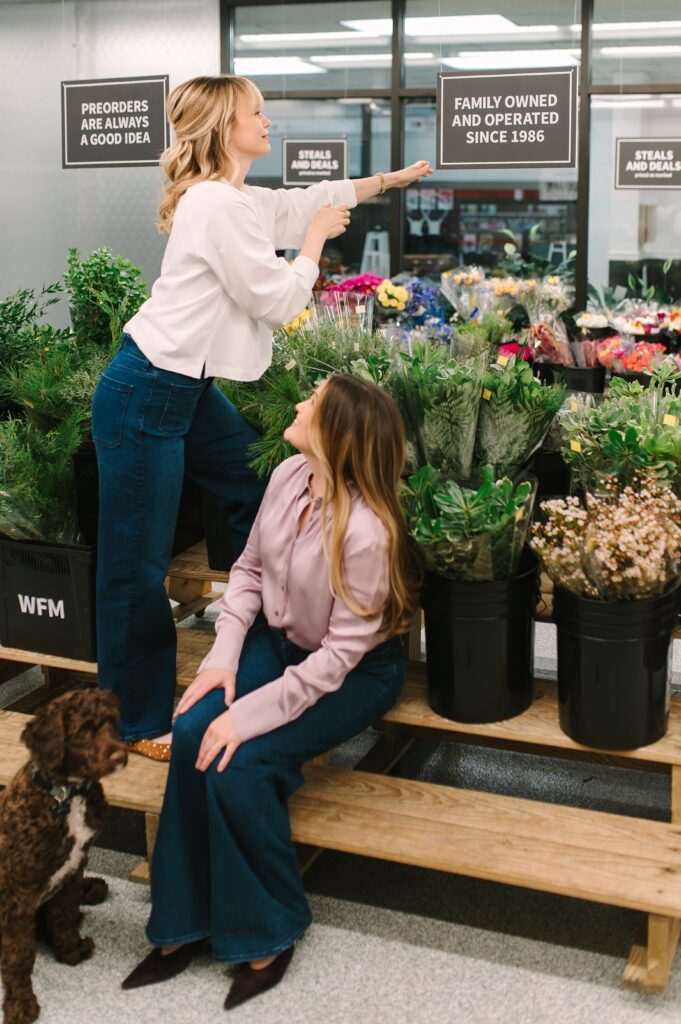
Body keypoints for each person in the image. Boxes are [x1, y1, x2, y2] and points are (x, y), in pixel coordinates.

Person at [91, 73, 432, 760]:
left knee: (259, 489)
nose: (267, 122)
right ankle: (137, 721)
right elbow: (275, 300)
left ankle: (274, 635)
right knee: (135, 565)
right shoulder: (213, 204)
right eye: (257, 113)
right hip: (147, 389)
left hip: (185, 387)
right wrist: (310, 247)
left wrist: (383, 183)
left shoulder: (235, 198)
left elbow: (305, 201)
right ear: (225, 125)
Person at [120, 372, 422, 1009]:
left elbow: (335, 661)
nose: (297, 402)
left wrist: (249, 716)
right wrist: (221, 663)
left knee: (239, 759)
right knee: (196, 732)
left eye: (311, 401)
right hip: (277, 643)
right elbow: (249, 570)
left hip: (351, 674)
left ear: (337, 436)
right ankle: (180, 924)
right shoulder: (289, 476)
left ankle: (270, 931)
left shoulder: (369, 533)